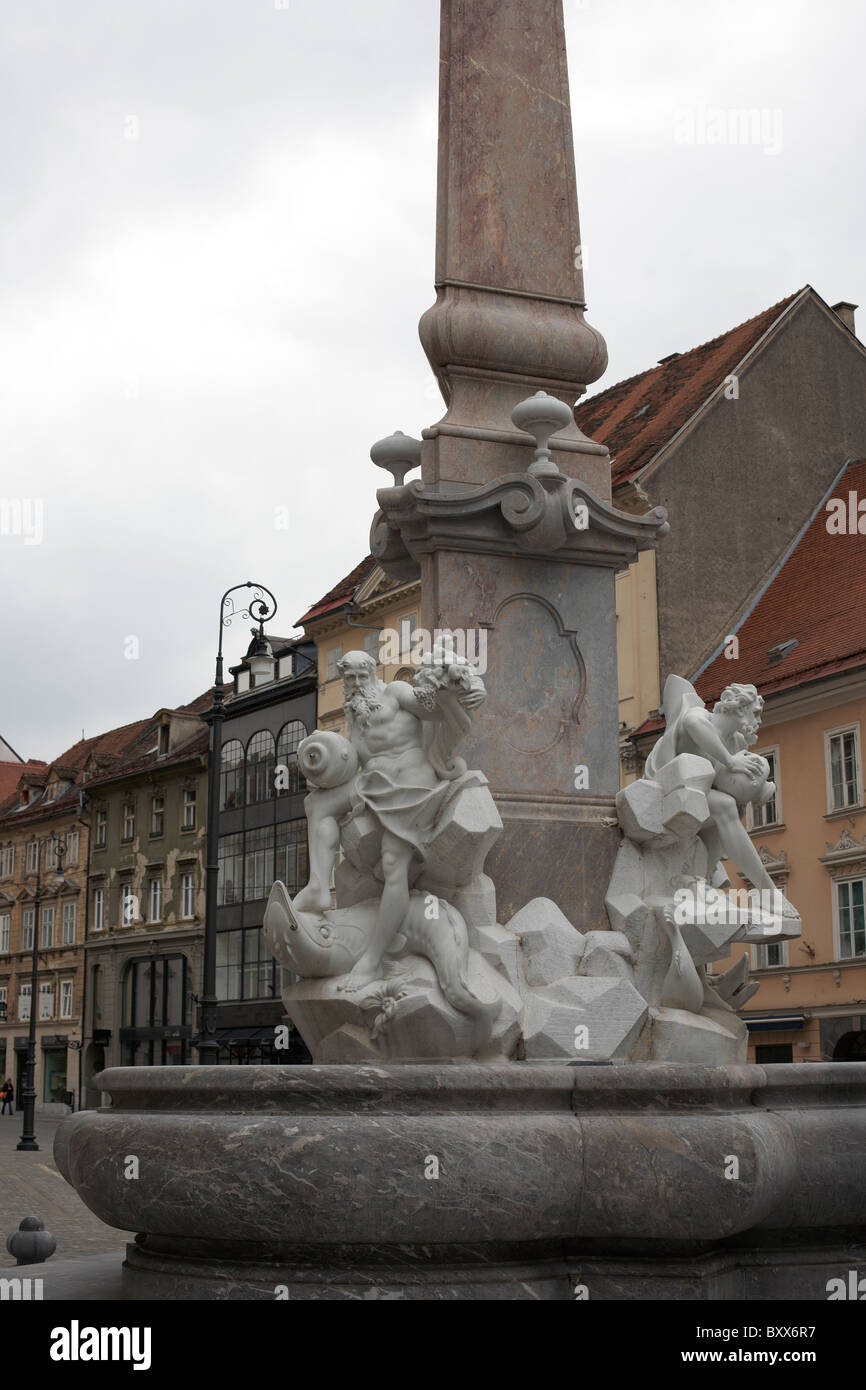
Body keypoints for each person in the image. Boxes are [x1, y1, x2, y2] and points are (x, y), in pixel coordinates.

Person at [295, 646, 486, 992]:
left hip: (409, 783)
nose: (354, 682)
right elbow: (356, 757)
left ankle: (371, 962)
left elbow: (435, 711)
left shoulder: (395, 692)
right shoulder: (353, 712)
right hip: (372, 781)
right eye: (347, 677)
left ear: (372, 672)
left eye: (359, 675)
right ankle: (319, 888)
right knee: (317, 806)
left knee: (393, 865)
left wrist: (448, 687)